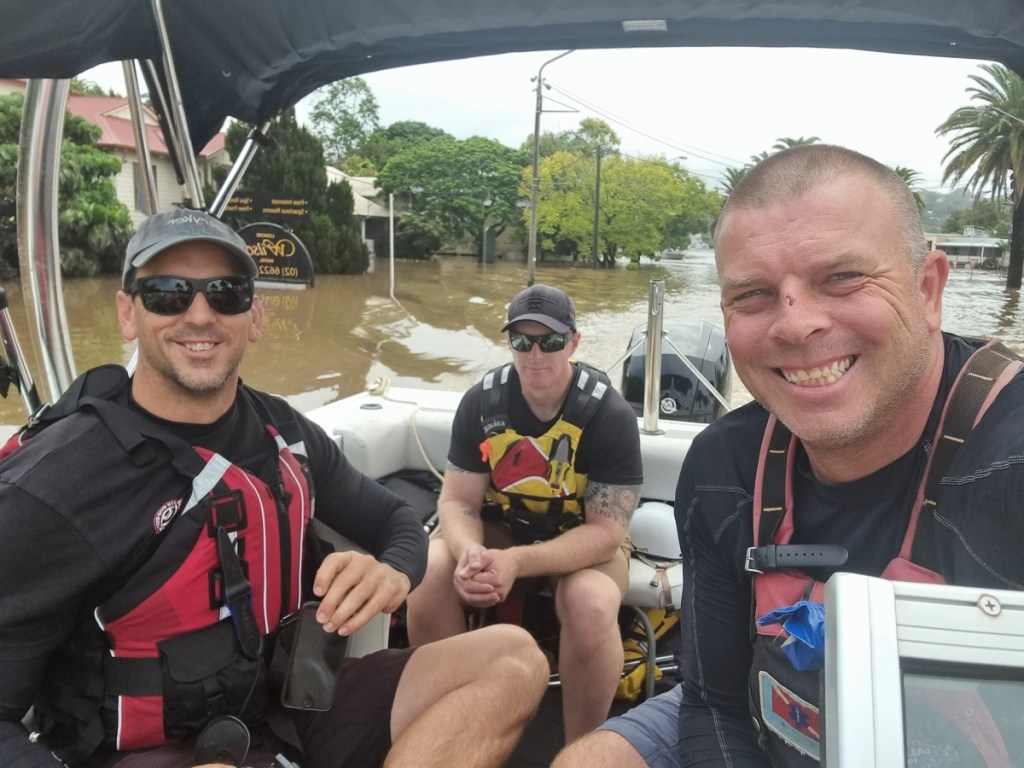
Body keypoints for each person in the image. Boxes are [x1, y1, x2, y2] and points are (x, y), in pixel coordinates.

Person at [0, 209, 549, 768]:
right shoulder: (55, 484)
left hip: (282, 708)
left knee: (513, 659)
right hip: (148, 752)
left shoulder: (283, 430)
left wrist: (392, 574)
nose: (199, 315)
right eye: (167, 293)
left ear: (255, 316)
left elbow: (396, 522)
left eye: (226, 293)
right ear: (127, 313)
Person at [551, 144, 1024, 767]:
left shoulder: (1007, 464)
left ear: (928, 289)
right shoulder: (724, 468)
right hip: (766, 709)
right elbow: (714, 701)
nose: (796, 325)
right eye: (753, 294)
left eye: (842, 278)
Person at [405, 283, 644, 743]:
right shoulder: (482, 403)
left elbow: (606, 532)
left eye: (550, 341)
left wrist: (517, 562)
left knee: (590, 604)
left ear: (574, 342)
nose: (535, 354)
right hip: (504, 525)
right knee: (431, 570)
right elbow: (458, 501)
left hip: (582, 537)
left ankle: (581, 749)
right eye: (522, 340)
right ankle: (451, 730)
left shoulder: (608, 415)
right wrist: (471, 553)